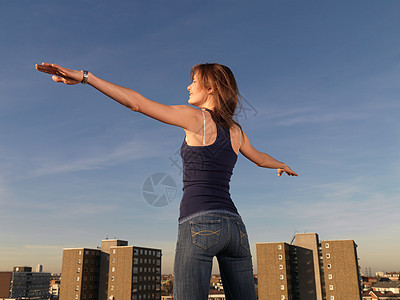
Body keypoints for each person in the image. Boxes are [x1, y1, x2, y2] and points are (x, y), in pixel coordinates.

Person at [36, 62, 298, 299]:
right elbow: (260, 159)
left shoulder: (196, 118)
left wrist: (86, 77)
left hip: (200, 223)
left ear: (210, 87)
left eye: (193, 80)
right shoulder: (236, 131)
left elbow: (136, 103)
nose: (188, 85)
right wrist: (281, 164)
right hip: (236, 228)